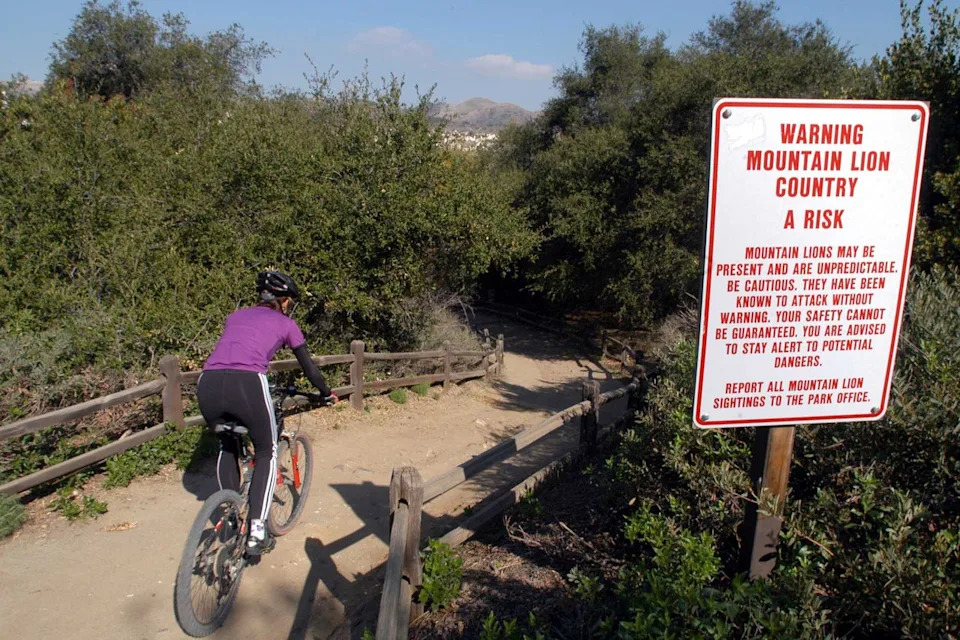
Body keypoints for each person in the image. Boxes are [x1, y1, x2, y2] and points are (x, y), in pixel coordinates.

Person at [197, 271, 336, 556]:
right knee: (267, 452)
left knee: (227, 444)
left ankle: (233, 513)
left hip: (208, 382)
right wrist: (325, 392)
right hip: (246, 383)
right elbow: (309, 368)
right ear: (283, 301)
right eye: (288, 301)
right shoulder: (287, 324)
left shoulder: (234, 317)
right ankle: (258, 530)